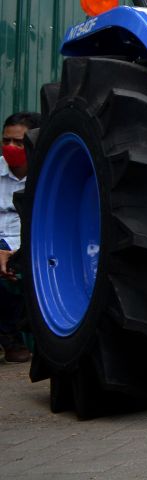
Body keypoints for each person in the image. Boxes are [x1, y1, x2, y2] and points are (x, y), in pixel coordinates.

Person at [0, 111, 37, 363]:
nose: (11, 147)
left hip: (29, 246)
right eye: (6, 141)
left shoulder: (46, 176)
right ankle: (8, 339)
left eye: (19, 142)